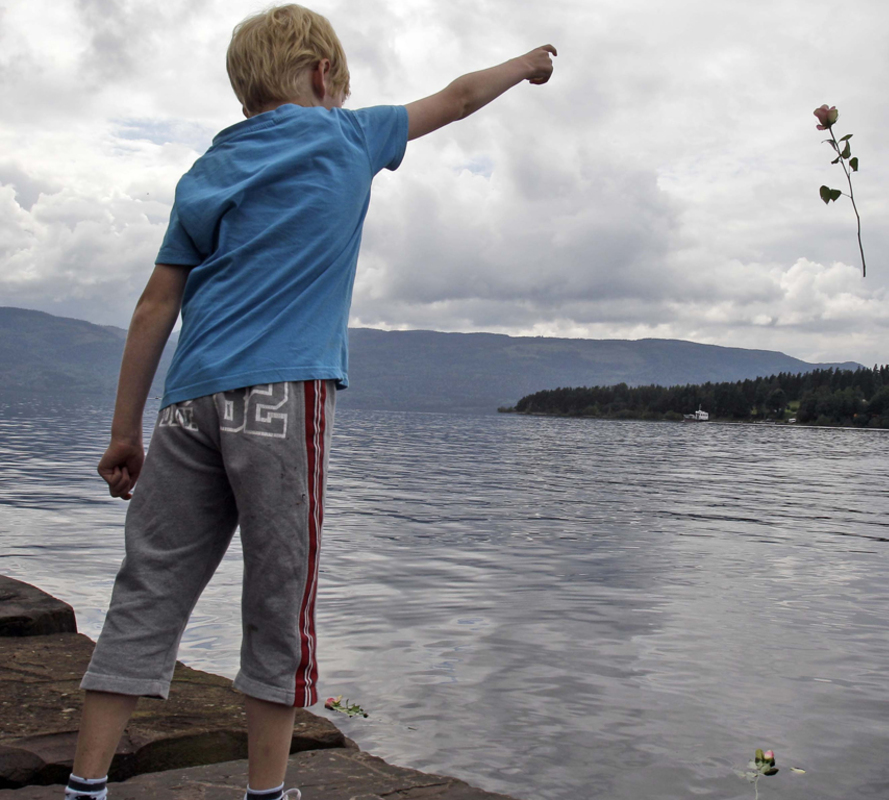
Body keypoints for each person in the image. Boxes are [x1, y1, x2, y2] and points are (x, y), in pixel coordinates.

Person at [65, 6, 555, 800]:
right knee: (279, 593)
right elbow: (460, 97)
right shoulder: (348, 136)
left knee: (146, 588)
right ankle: (267, 793)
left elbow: (155, 306)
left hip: (186, 405)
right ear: (324, 76)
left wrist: (125, 432)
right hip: (280, 400)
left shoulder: (206, 170)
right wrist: (525, 65)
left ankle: (84, 785)